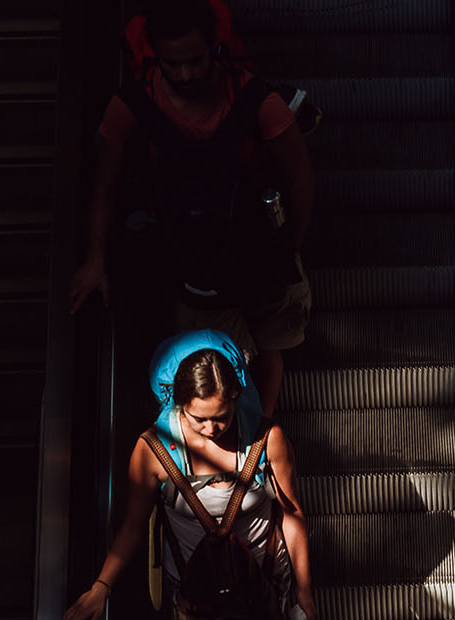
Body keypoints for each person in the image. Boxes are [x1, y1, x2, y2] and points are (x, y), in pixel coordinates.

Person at [61, 330, 315, 620]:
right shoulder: (153, 450)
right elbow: (132, 525)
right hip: (196, 593)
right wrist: (102, 586)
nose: (212, 429)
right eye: (200, 419)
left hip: (261, 579)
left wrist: (305, 590)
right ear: (178, 404)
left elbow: (291, 514)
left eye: (221, 416)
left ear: (237, 397)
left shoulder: (266, 439)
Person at [69, 0, 314, 417]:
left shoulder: (256, 99)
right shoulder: (132, 106)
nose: (184, 74)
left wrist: (290, 246)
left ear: (215, 48)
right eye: (172, 64)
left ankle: (263, 433)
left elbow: (301, 177)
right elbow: (104, 185)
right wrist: (95, 259)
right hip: (193, 265)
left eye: (195, 62)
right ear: (155, 56)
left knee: (271, 348)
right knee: (211, 364)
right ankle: (236, 435)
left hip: (263, 255)